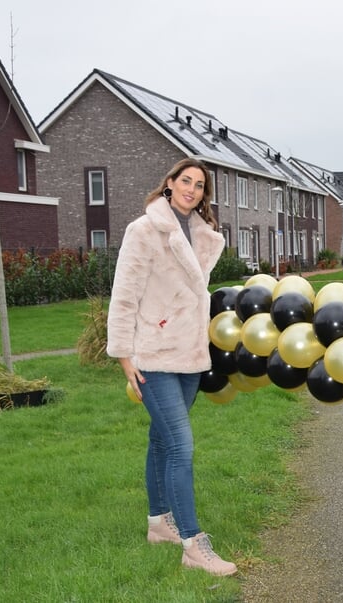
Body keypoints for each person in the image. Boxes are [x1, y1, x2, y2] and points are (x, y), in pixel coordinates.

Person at [107, 158, 237, 576]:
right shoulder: (143, 231)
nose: (192, 189)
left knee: (162, 441)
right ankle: (193, 546)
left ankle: (159, 523)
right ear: (169, 184)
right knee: (181, 446)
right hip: (154, 356)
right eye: (186, 181)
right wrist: (124, 356)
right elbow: (124, 295)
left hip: (190, 356)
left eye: (200, 185)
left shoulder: (201, 235)